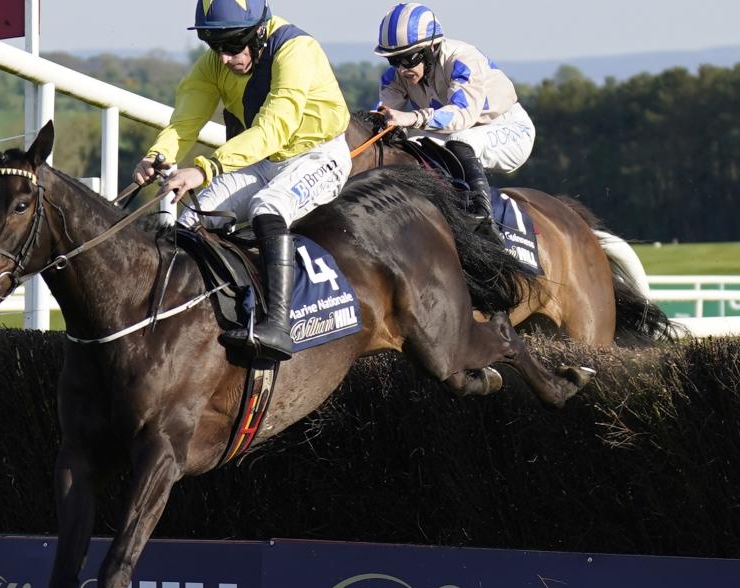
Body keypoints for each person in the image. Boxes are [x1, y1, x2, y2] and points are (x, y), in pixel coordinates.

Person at [131, 0, 351, 362]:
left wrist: (205, 169)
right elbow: (184, 123)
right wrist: (158, 155)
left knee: (268, 206)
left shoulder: (296, 50)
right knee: (190, 221)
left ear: (259, 32)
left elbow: (274, 128)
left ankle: (278, 326)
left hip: (318, 155)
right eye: (215, 46)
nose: (224, 58)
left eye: (233, 45)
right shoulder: (214, 64)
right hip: (263, 160)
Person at [373, 2, 535, 238]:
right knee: (409, 145)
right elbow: (383, 118)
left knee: (461, 140)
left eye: (409, 59)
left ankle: (483, 221)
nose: (402, 69)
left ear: (431, 48)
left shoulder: (462, 59)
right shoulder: (395, 77)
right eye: (394, 60)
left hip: (508, 127)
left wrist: (413, 117)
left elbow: (462, 115)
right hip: (456, 133)